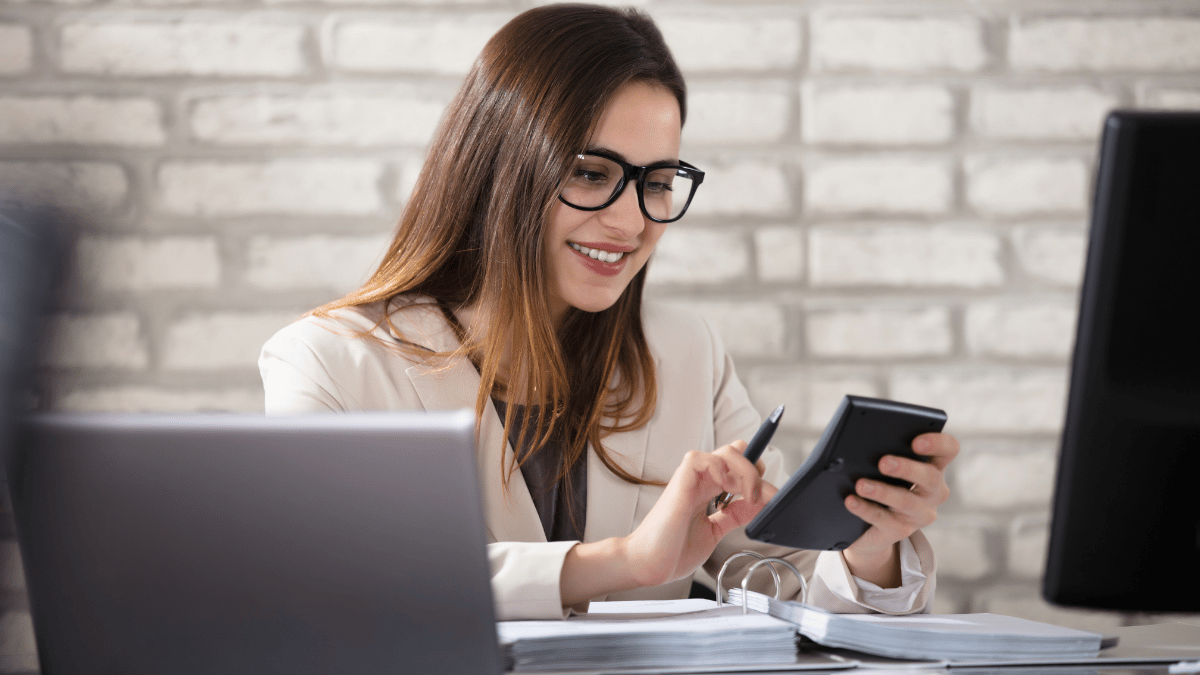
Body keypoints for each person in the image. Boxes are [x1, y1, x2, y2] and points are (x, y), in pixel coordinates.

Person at [259, 3, 959, 621]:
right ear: (502, 168)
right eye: (592, 174)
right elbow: (330, 585)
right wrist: (623, 561)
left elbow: (789, 586)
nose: (631, 221)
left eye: (658, 183)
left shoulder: (688, 353)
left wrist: (868, 546)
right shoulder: (328, 363)